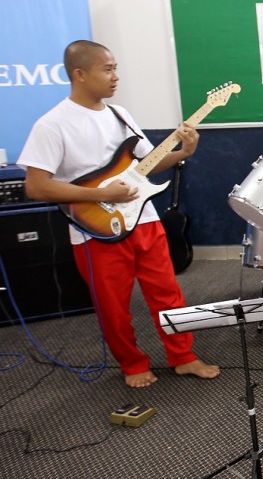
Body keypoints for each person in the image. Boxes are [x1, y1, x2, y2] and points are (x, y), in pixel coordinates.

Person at [17, 40, 220, 388]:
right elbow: (35, 187)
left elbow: (146, 164)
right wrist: (100, 194)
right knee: (113, 307)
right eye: (107, 69)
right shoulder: (52, 124)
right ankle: (132, 364)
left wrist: (186, 149)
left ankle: (183, 356)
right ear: (80, 74)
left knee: (168, 293)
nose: (116, 76)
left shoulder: (120, 115)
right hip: (95, 231)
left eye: (115, 68)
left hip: (144, 219)